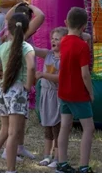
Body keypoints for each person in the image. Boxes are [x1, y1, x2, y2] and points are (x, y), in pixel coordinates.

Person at [0, 12, 36, 173]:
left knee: (4, 131)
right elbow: (31, 67)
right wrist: (28, 84)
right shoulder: (27, 48)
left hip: (3, 91)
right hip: (18, 92)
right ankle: (10, 170)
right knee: (13, 133)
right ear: (26, 29)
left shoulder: (3, 47)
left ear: (8, 29)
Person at [55, 7, 96, 173]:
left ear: (67, 23)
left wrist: (84, 37)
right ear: (84, 26)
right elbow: (85, 74)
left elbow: (76, 39)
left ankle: (62, 162)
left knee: (65, 126)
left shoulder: (63, 41)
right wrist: (90, 92)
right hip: (78, 93)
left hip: (64, 91)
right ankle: (84, 166)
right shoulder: (82, 46)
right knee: (89, 128)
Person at [36, 27, 67, 168]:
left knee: (57, 128)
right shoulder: (48, 54)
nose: (53, 41)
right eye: (52, 38)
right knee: (47, 128)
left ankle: (57, 157)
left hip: (56, 96)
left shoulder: (64, 58)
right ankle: (46, 156)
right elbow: (34, 49)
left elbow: (60, 78)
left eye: (57, 39)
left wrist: (43, 75)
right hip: (45, 94)